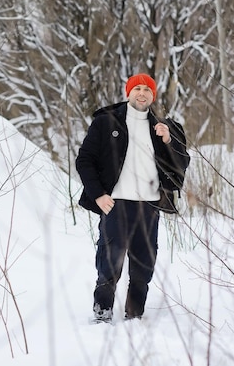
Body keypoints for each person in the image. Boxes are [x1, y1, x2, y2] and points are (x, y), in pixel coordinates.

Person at [75, 73, 189, 323]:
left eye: (147, 90)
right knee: (109, 263)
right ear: (128, 92)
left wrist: (169, 141)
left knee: (143, 265)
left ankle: (134, 314)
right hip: (115, 204)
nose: (142, 93)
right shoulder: (106, 122)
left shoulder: (162, 127)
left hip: (149, 206)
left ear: (153, 95)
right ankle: (102, 311)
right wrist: (98, 195)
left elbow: (181, 167)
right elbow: (84, 160)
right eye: (137, 88)